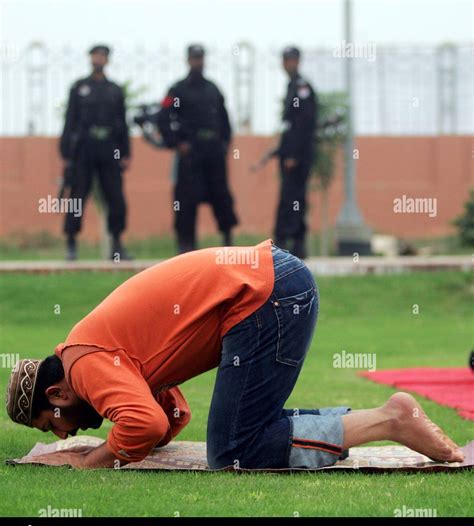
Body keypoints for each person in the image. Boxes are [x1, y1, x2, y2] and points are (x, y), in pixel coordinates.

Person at [6, 240, 464, 469]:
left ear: (56, 392)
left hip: (265, 297)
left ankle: (391, 420)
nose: (67, 434)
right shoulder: (93, 352)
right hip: (273, 285)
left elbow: (144, 425)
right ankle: (387, 417)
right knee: (245, 435)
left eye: (54, 424)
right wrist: (120, 443)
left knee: (233, 452)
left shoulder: (83, 365)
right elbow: (165, 420)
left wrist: (93, 460)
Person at [158, 44, 238, 254]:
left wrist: (224, 146)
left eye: (200, 58)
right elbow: (163, 118)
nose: (197, 62)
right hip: (190, 155)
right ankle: (186, 246)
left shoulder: (213, 89)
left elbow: (225, 121)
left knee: (221, 196)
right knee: (185, 200)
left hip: (213, 154)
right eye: (194, 58)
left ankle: (228, 240)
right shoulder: (177, 90)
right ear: (188, 60)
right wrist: (177, 143)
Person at [59, 44, 132, 261]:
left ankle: (116, 245)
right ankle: (71, 245)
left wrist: (125, 152)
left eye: (102, 56)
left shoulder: (115, 90)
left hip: (109, 149)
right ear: (90, 58)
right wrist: (66, 153)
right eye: (95, 55)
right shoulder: (79, 88)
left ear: (107, 60)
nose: (98, 59)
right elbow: (69, 121)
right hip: (84, 149)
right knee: (77, 196)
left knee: (115, 197)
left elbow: (122, 123)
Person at [274, 46, 317, 259]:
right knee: (290, 198)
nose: (288, 64)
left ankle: (293, 243)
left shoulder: (302, 87)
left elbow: (304, 123)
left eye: (292, 60)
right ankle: (288, 243)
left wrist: (293, 154)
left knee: (293, 199)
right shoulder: (292, 86)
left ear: (298, 61)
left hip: (297, 157)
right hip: (290, 153)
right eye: (286, 60)